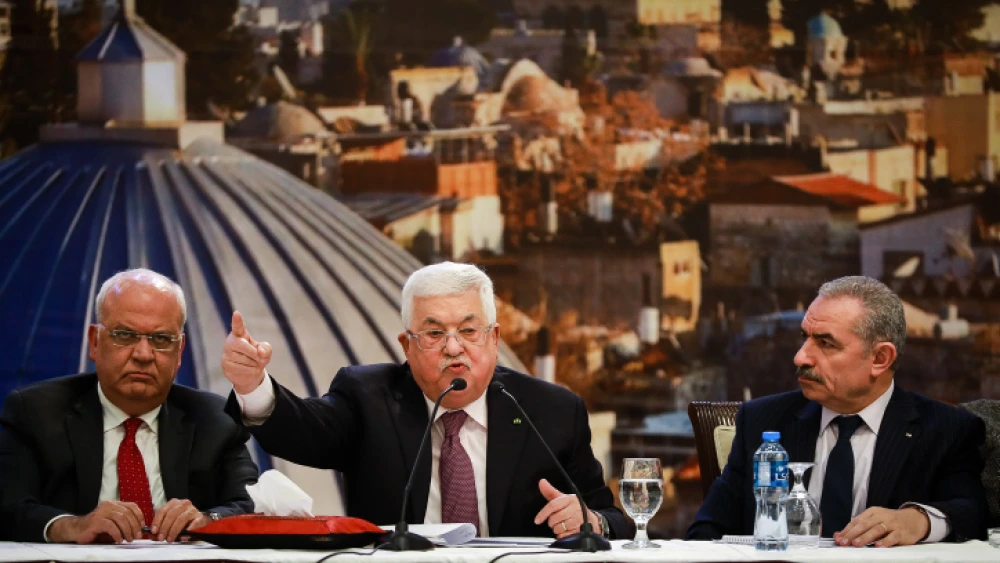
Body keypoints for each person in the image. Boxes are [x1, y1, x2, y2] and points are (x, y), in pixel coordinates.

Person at [221, 262, 632, 539]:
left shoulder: (551, 411)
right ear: (407, 345)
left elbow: (615, 520)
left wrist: (592, 522)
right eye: (434, 334)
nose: (454, 349)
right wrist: (254, 385)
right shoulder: (369, 399)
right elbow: (305, 432)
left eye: (469, 331)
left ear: (494, 338)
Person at [688, 276, 988, 547]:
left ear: (880, 358)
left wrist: (918, 520)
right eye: (804, 337)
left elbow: (973, 514)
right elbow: (705, 531)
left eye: (825, 343)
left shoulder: (945, 429)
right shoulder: (762, 420)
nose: (800, 356)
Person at [0, 269, 259, 544]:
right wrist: (73, 526)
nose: (143, 355)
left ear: (180, 351)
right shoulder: (36, 413)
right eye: (125, 335)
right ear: (95, 342)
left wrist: (208, 521)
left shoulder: (216, 421)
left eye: (161, 339)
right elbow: (8, 505)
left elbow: (251, 503)